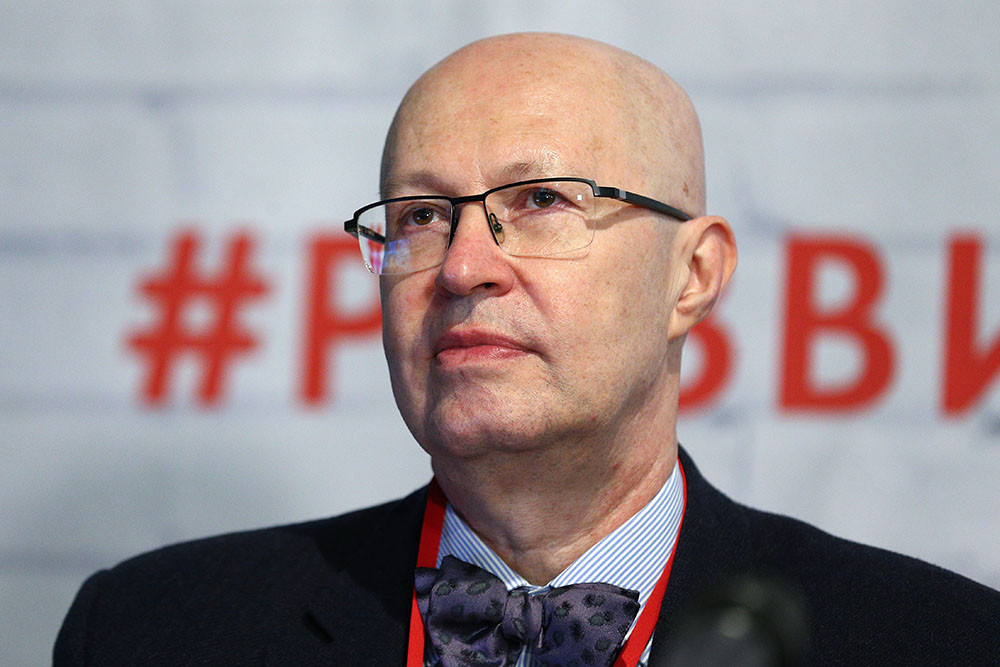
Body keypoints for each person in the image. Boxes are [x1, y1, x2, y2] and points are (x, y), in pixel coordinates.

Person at [55, 33, 999, 666]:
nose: (463, 266)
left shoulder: (935, 640)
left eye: (542, 200)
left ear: (693, 275)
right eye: (420, 216)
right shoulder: (152, 629)